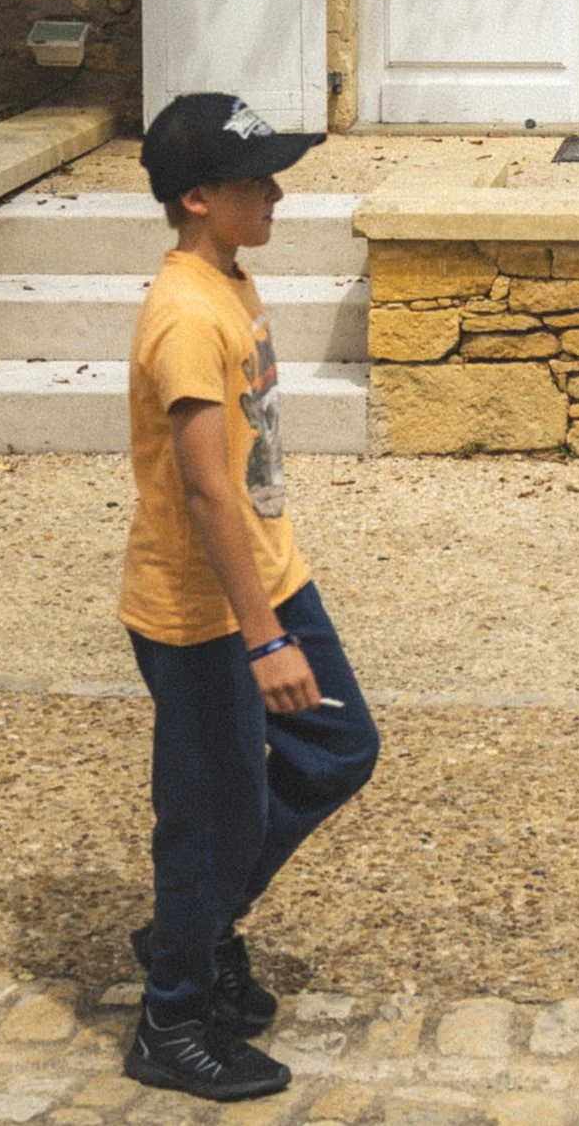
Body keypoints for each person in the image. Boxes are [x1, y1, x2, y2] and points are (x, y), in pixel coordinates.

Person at [119, 92, 380, 1104]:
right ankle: (171, 1017)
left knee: (339, 746)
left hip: (268, 580)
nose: (274, 192)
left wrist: (276, 606)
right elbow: (204, 485)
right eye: (253, 180)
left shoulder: (229, 279)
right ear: (197, 197)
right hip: (204, 613)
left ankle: (195, 919)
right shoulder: (186, 315)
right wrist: (265, 641)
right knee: (209, 813)